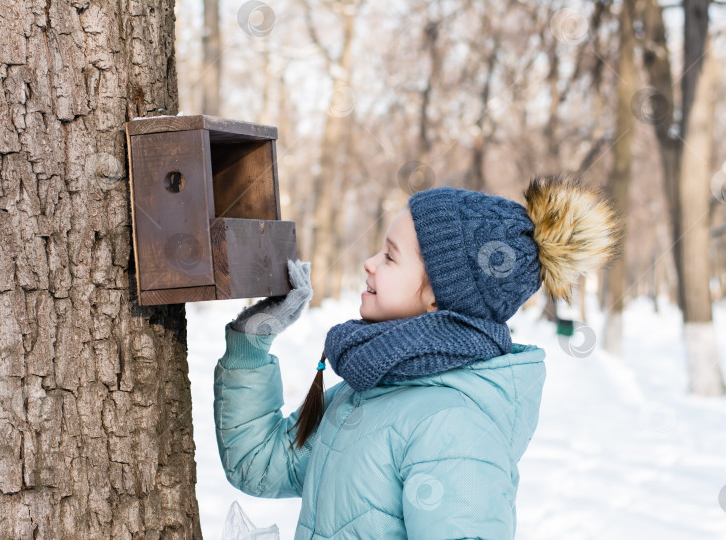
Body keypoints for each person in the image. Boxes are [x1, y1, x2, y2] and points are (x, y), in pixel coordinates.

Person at [213, 176, 621, 539]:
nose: (369, 264)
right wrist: (254, 337)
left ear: (437, 297)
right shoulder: (368, 388)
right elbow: (260, 463)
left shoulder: (454, 430)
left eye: (390, 257)